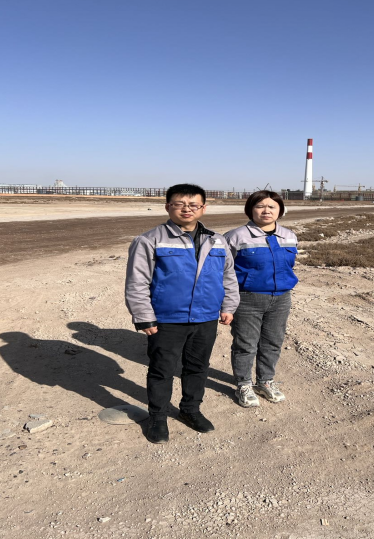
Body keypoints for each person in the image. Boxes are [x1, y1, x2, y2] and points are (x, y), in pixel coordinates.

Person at [125, 183, 239, 443]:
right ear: (168, 206)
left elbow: (228, 276)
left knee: (198, 367)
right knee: (162, 369)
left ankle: (190, 410)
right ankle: (158, 417)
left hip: (206, 317)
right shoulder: (149, 240)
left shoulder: (217, 240)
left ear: (203, 208)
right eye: (179, 204)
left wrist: (228, 306)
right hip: (167, 319)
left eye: (193, 205)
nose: (187, 209)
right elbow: (137, 281)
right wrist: (143, 316)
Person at [224, 191, 298, 408]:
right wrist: (226, 303)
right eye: (260, 206)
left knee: (273, 342)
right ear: (250, 209)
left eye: (272, 207)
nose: (266, 211)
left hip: (281, 299)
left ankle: (265, 381)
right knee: (246, 344)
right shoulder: (235, 236)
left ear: (280, 210)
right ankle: (244, 384)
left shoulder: (289, 236)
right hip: (247, 299)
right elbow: (224, 272)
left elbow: (289, 266)